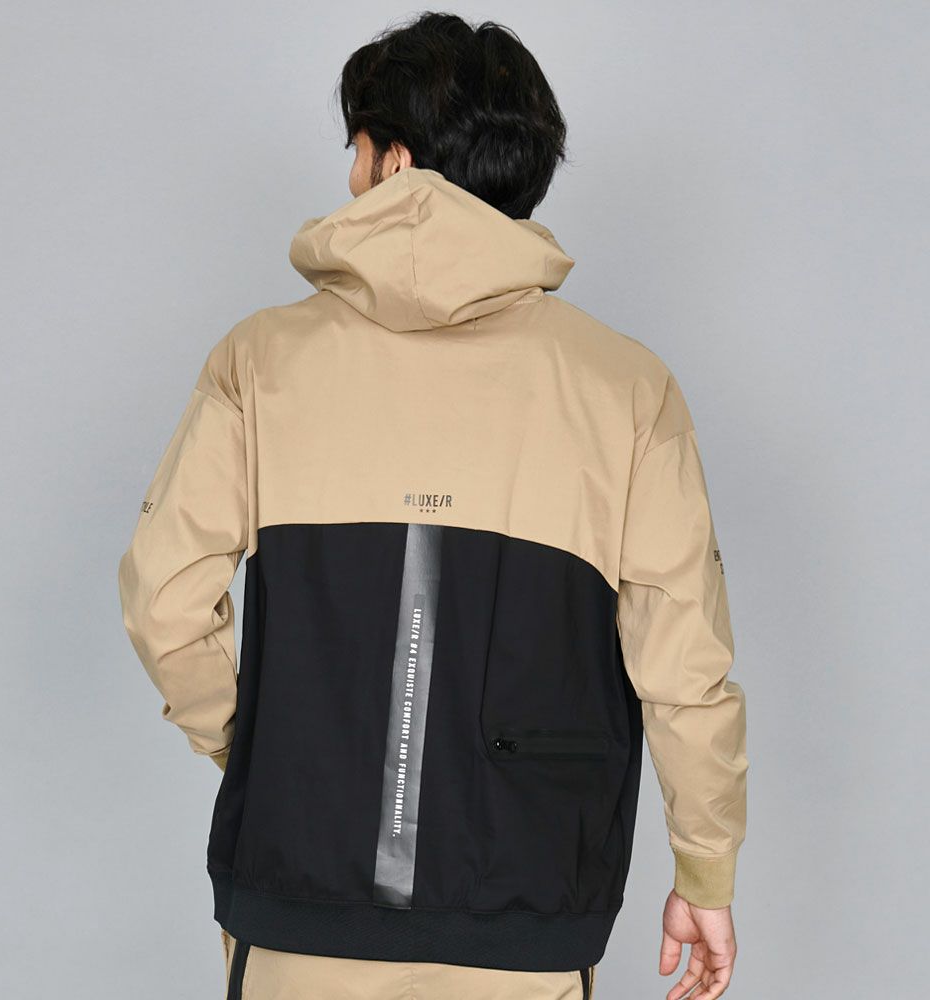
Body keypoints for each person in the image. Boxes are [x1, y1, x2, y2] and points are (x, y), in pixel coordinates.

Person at [117, 12, 747, 1000]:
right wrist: (704, 872)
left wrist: (260, 750)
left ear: (397, 162)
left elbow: (164, 602)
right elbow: (686, 671)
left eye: (358, 150)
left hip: (298, 907)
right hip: (526, 914)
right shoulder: (628, 390)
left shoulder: (260, 361)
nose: (351, 176)